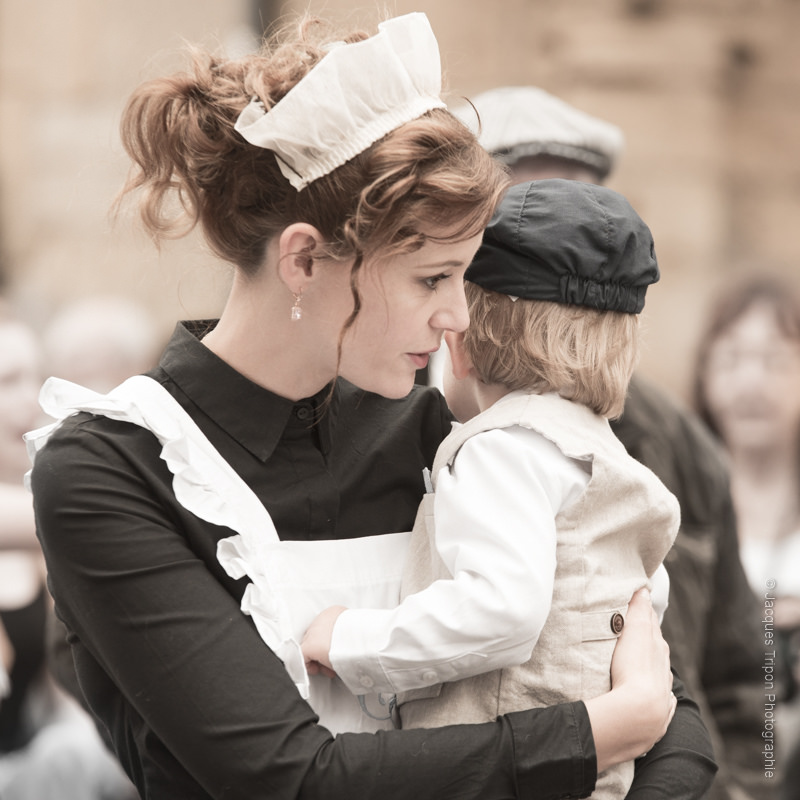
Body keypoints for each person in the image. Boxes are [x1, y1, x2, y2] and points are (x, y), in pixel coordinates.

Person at [27, 14, 714, 799]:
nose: (458, 318)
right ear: (304, 259)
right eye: (432, 279)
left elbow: (669, 711)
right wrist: (593, 735)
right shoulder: (111, 472)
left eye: (464, 278)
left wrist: (626, 731)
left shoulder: (443, 438)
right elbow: (289, 779)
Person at [301, 178, 681, 799]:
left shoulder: (499, 451)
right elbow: (642, 606)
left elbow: (503, 609)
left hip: (509, 768)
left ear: (464, 343)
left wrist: (350, 639)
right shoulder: (614, 465)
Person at [448, 85, 767, 800]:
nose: (559, 259)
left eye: (579, 221)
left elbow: (750, 676)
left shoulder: (673, 439)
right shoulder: (404, 425)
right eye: (525, 221)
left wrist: (755, 783)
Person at [0, 301, 136, 800]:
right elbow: (79, 515)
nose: (31, 398)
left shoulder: (39, 540)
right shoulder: (47, 514)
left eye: (36, 378)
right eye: (8, 380)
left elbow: (69, 699)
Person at [693, 275, 800, 800]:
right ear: (704, 372)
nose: (751, 382)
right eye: (733, 358)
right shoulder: (675, 505)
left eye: (775, 360)